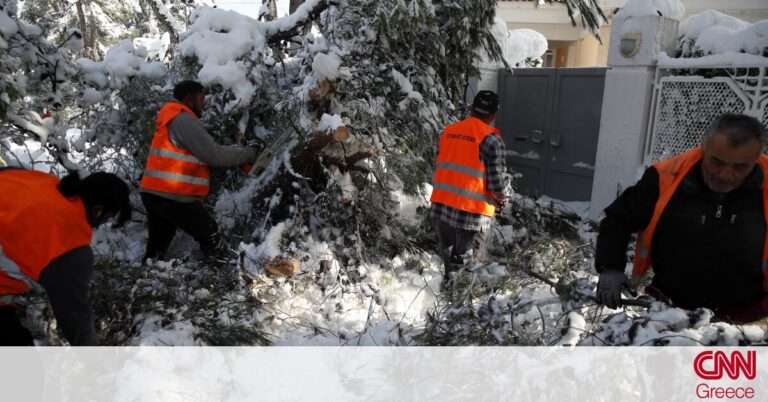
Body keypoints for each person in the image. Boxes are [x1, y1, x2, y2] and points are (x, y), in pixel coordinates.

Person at [595, 113, 768, 323]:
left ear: (756, 158)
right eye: (716, 162)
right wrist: (610, 267)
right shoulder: (665, 177)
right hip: (669, 312)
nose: (725, 175)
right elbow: (617, 219)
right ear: (704, 148)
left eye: (740, 167)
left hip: (747, 318)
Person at [0, 168, 131, 345]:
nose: (103, 224)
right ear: (98, 210)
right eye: (108, 218)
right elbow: (75, 317)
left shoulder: (39, 181)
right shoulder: (68, 245)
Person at [139, 80, 259, 262]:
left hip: (155, 192)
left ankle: (146, 277)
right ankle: (217, 278)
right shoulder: (183, 119)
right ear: (189, 99)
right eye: (202, 97)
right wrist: (249, 154)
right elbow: (214, 156)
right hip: (173, 196)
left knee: (157, 247)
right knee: (211, 235)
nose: (204, 102)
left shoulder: (172, 117)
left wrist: (237, 153)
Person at [430, 90, 508, 285]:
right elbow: (496, 182)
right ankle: (460, 309)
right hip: (472, 215)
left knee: (448, 265)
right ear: (493, 115)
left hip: (442, 207)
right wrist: (502, 200)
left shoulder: (448, 131)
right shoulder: (491, 139)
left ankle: (444, 300)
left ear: (472, 109)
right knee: (468, 269)